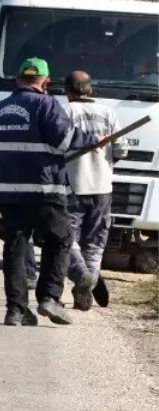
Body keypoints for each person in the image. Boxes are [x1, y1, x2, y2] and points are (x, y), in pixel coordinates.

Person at [0, 58, 100, 326]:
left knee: (15, 249)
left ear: (18, 79)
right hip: (44, 191)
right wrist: (91, 141)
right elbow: (66, 139)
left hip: (8, 194)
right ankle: (49, 298)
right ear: (44, 82)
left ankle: (16, 310)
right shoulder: (46, 104)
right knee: (60, 241)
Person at [61, 70, 124, 310]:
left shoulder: (65, 112)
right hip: (103, 188)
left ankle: (81, 276)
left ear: (67, 91)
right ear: (90, 89)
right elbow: (120, 151)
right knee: (95, 243)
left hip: (72, 186)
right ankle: (87, 284)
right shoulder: (108, 113)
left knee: (67, 239)